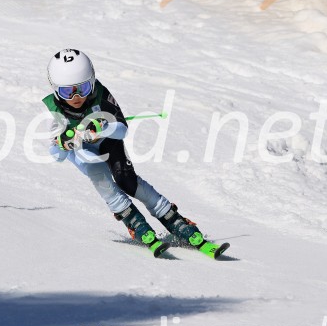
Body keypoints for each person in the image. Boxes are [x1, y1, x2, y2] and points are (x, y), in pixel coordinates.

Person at [42, 48, 228, 258]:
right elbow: (56, 156)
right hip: (85, 154)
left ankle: (174, 219)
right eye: (68, 92)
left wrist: (101, 129)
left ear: (92, 81)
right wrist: (62, 143)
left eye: (83, 88)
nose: (76, 97)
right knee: (101, 177)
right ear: (56, 90)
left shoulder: (101, 94)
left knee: (127, 181)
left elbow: (122, 129)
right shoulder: (58, 114)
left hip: (108, 142)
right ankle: (135, 223)